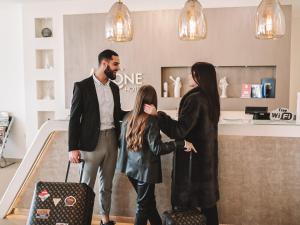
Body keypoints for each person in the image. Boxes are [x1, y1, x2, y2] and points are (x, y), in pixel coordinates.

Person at [144, 62, 220, 225]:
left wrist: (158, 115)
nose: (188, 76)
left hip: (191, 164)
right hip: (206, 162)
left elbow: (179, 131)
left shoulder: (195, 99)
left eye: (191, 73)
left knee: (183, 208)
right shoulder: (210, 98)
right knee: (208, 206)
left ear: (198, 76)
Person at [117, 85, 196, 225]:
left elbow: (122, 144)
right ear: (152, 101)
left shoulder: (128, 117)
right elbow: (158, 149)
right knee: (143, 206)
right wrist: (180, 143)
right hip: (145, 172)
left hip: (130, 170)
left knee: (148, 204)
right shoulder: (150, 121)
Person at [68, 49, 127, 225]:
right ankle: (81, 220)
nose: (118, 68)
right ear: (104, 63)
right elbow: (74, 118)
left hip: (111, 141)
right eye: (115, 64)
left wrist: (138, 111)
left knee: (107, 186)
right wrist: (72, 148)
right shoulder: (82, 86)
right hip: (89, 144)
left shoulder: (114, 88)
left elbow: (119, 114)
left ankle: (105, 219)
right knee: (85, 187)